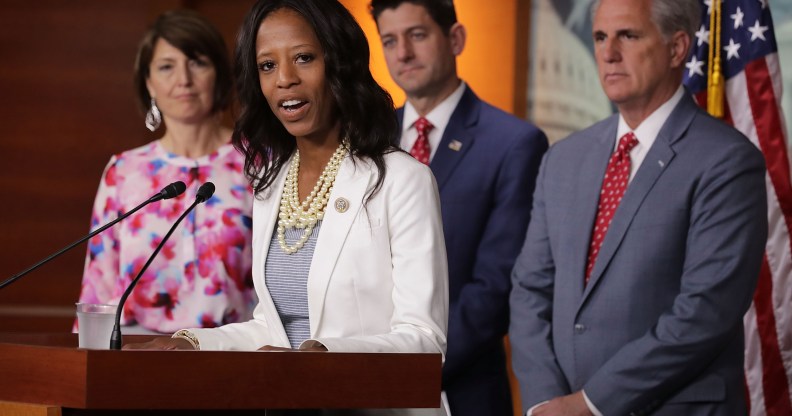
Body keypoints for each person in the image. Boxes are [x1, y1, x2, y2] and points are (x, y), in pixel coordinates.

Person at [126, 0, 449, 414]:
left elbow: (424, 342)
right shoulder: (271, 184)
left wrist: (316, 359)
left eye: (304, 58)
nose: (285, 80)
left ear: (339, 62)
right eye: (267, 66)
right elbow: (274, 330)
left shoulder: (402, 180)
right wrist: (189, 342)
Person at [509, 0, 768, 414]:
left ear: (677, 48)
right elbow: (530, 290)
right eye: (599, 37)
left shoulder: (727, 162)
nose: (608, 53)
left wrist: (589, 405)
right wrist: (544, 402)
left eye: (627, 35)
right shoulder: (563, 158)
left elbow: (703, 313)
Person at [369, 1, 548, 415]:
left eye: (417, 35)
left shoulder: (513, 144)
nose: (403, 54)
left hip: (459, 393)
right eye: (390, 41)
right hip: (362, 386)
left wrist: (405, 368)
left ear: (456, 39)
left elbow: (496, 287)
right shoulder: (364, 140)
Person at [76, 10, 256, 334]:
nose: (183, 80)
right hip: (134, 354)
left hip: (233, 353)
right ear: (149, 83)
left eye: (197, 62)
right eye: (166, 67)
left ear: (219, 74)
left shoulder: (256, 163)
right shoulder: (123, 172)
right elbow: (98, 289)